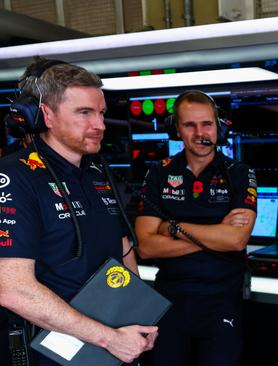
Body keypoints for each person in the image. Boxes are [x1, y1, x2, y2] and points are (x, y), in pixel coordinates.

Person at [0, 57, 157, 366]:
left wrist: (141, 316)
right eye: (84, 113)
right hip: (51, 352)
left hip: (111, 344)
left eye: (100, 113)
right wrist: (109, 338)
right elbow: (12, 289)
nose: (99, 125)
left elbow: (123, 248)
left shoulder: (98, 170)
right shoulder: (15, 177)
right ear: (45, 114)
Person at [135, 90, 257, 366]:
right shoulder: (159, 173)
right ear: (177, 129)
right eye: (190, 125)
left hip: (221, 301)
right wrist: (215, 233)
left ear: (219, 127)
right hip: (169, 301)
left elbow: (236, 240)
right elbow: (146, 245)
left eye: (207, 124)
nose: (200, 133)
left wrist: (174, 228)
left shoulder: (239, 172)